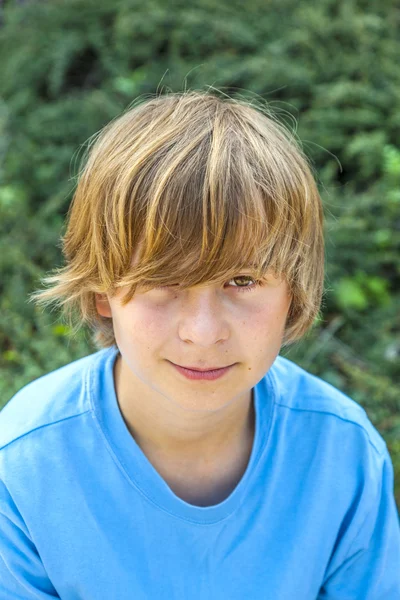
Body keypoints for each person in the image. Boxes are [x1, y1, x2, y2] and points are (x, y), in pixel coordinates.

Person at [0, 89, 399, 599]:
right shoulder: (24, 466)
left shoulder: (343, 455)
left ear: (293, 291)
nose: (204, 332)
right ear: (103, 290)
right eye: (163, 282)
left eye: (242, 281)